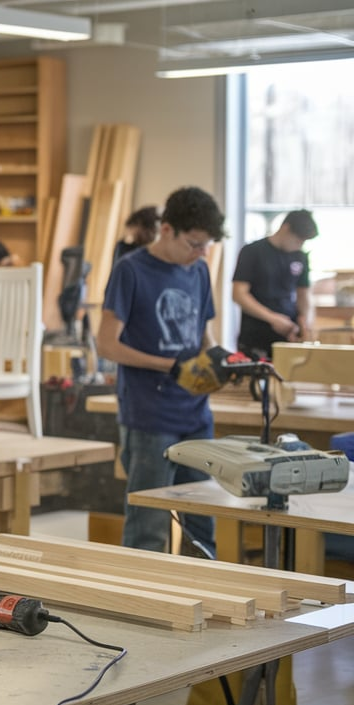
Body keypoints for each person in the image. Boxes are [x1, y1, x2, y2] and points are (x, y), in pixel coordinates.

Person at [97, 186, 226, 555]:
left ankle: (203, 600)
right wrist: (168, 366)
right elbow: (106, 344)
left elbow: (206, 335)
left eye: (207, 246)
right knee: (148, 527)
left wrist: (220, 362)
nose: (201, 253)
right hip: (149, 416)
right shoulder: (131, 271)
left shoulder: (198, 270)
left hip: (196, 413)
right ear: (166, 230)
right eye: (194, 243)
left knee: (203, 520)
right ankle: (141, 604)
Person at [232, 209, 318, 358]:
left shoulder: (300, 256)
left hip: (288, 333)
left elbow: (304, 294)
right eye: (298, 240)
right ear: (285, 228)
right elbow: (239, 294)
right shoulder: (252, 251)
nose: (299, 245)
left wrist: (305, 321)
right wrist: (272, 318)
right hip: (256, 332)